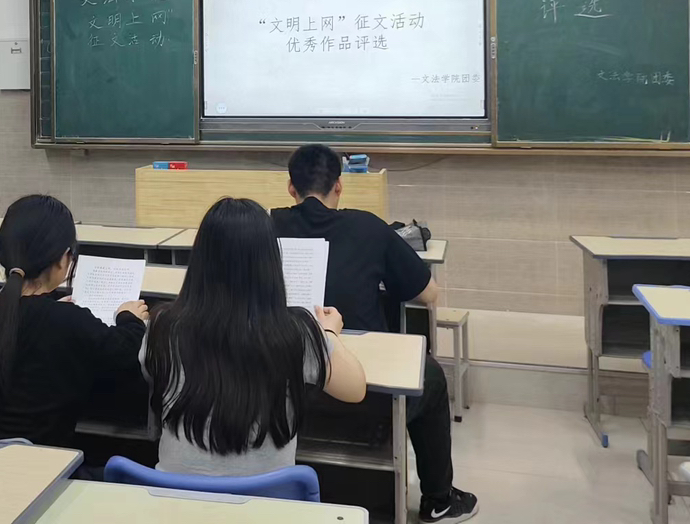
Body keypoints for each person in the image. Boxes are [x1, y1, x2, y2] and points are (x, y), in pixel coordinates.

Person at [272, 144, 478, 523]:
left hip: (278, 389)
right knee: (430, 378)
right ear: (339, 186)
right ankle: (439, 499)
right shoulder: (368, 227)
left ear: (290, 187)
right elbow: (428, 294)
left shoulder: (265, 226)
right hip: (362, 395)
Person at [142, 197, 366, 476]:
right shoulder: (296, 331)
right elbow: (355, 389)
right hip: (266, 498)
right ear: (270, 262)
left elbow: (152, 373)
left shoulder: (162, 326)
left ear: (200, 259)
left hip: (174, 495)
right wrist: (328, 332)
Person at [0, 194, 147, 450]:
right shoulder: (67, 320)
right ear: (63, 258)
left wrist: (53, 310)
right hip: (39, 466)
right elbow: (127, 352)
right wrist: (130, 317)